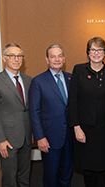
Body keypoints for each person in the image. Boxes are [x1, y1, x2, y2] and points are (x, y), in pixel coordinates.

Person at [69, 36, 105, 187]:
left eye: (99, 49)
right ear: (88, 52)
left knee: (103, 168)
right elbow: (73, 101)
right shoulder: (79, 70)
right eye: (93, 49)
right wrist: (76, 127)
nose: (96, 53)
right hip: (85, 130)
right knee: (88, 169)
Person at [29, 44, 73, 187]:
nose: (57, 59)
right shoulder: (38, 81)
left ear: (64, 59)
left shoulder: (71, 79)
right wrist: (40, 137)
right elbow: (34, 112)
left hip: (70, 137)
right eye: (53, 56)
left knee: (66, 173)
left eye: (60, 56)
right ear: (47, 60)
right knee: (51, 176)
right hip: (49, 138)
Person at [0, 43, 32, 187]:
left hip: (26, 137)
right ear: (4, 58)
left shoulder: (28, 80)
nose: (16, 59)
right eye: (11, 56)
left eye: (19, 56)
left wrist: (32, 132)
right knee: (9, 179)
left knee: (24, 176)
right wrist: (0, 140)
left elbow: (29, 109)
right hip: (7, 140)